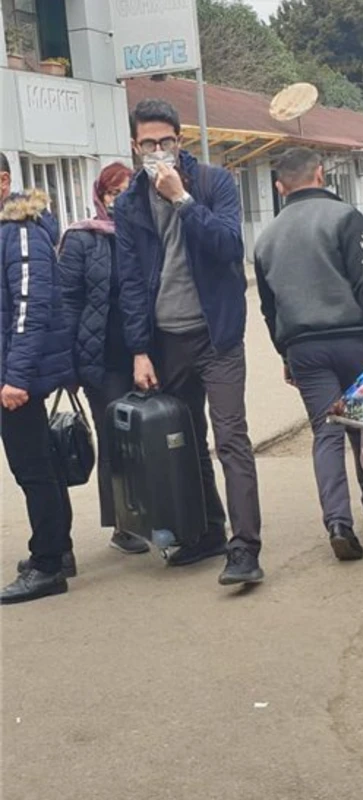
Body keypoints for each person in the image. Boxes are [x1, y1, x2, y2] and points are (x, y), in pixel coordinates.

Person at [114, 98, 264, 586]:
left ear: (181, 142)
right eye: (149, 144)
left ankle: (245, 548)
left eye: (167, 142)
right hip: (166, 341)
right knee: (188, 440)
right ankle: (208, 530)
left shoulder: (211, 183)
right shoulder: (129, 202)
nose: (158, 151)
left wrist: (181, 199)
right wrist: (139, 349)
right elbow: (131, 281)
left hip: (215, 334)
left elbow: (228, 245)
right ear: (136, 146)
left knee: (230, 439)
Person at [254, 148, 363, 562]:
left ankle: (338, 523)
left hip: (304, 349)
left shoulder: (266, 238)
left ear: (279, 186)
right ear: (321, 174)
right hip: (355, 342)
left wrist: (285, 353)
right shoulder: (345, 218)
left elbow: (270, 309)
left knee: (326, 433)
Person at [58, 161, 148, 558]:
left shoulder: (146, 235)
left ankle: (155, 510)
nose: (119, 201)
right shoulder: (81, 239)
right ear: (101, 195)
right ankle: (122, 524)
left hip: (145, 353)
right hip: (102, 357)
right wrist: (68, 364)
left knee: (150, 436)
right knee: (115, 439)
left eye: (127, 193)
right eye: (114, 193)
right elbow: (67, 302)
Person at [0, 153, 77, 603]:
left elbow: (31, 311)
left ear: (5, 179)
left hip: (18, 376)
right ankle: (58, 550)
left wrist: (16, 377)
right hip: (14, 371)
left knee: (32, 468)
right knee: (40, 462)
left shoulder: (22, 232)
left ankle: (48, 564)